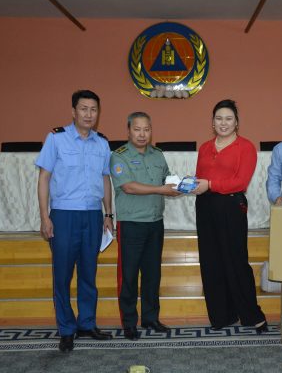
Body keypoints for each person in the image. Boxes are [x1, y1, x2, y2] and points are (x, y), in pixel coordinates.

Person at [36, 89, 114, 353]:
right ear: (73, 111)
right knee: (62, 275)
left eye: (93, 109)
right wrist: (44, 216)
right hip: (64, 215)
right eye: (83, 109)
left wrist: (108, 213)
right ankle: (66, 329)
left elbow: (105, 179)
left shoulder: (102, 143)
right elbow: (44, 178)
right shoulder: (56, 139)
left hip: (92, 215)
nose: (89, 114)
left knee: (88, 273)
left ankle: (87, 324)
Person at [192, 99, 268, 333]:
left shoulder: (245, 147)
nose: (223, 123)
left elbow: (240, 182)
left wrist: (210, 184)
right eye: (218, 118)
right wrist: (191, 185)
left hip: (231, 206)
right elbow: (200, 177)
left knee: (236, 260)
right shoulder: (205, 147)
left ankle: (251, 314)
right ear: (212, 122)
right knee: (210, 262)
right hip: (205, 206)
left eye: (228, 119)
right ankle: (222, 315)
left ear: (236, 123)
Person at [110, 112, 181, 340]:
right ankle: (129, 322)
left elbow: (166, 180)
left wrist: (180, 185)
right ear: (128, 131)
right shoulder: (119, 156)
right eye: (137, 129)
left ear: (151, 131)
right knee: (129, 275)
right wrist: (162, 190)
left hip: (155, 223)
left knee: (152, 274)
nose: (142, 134)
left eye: (146, 129)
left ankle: (151, 318)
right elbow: (128, 187)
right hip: (131, 223)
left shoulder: (157, 155)